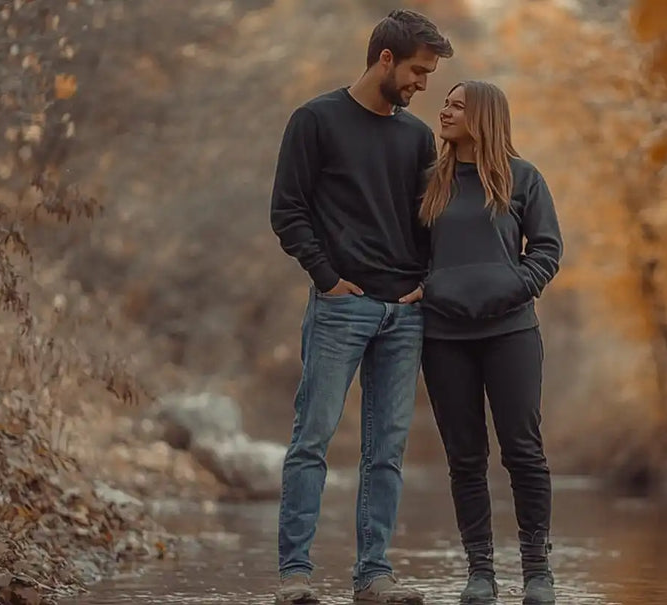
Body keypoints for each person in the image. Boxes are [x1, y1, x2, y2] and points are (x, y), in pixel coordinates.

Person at [268, 9, 453, 605]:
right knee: (312, 440)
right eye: (419, 72)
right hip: (341, 307)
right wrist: (326, 277)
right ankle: (295, 576)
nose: (423, 84)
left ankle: (374, 576)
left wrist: (426, 281)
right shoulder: (315, 120)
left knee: (387, 451)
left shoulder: (416, 137)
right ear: (385, 59)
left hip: (404, 312)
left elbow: (429, 221)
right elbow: (287, 211)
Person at [416, 80, 564, 605]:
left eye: (457, 105)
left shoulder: (523, 179)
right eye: (446, 103)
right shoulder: (429, 182)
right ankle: (480, 572)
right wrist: (430, 290)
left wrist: (513, 289)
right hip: (443, 337)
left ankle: (537, 573)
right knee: (465, 457)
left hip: (512, 333)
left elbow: (547, 248)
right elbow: (412, 256)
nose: (446, 110)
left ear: (483, 116)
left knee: (524, 453)